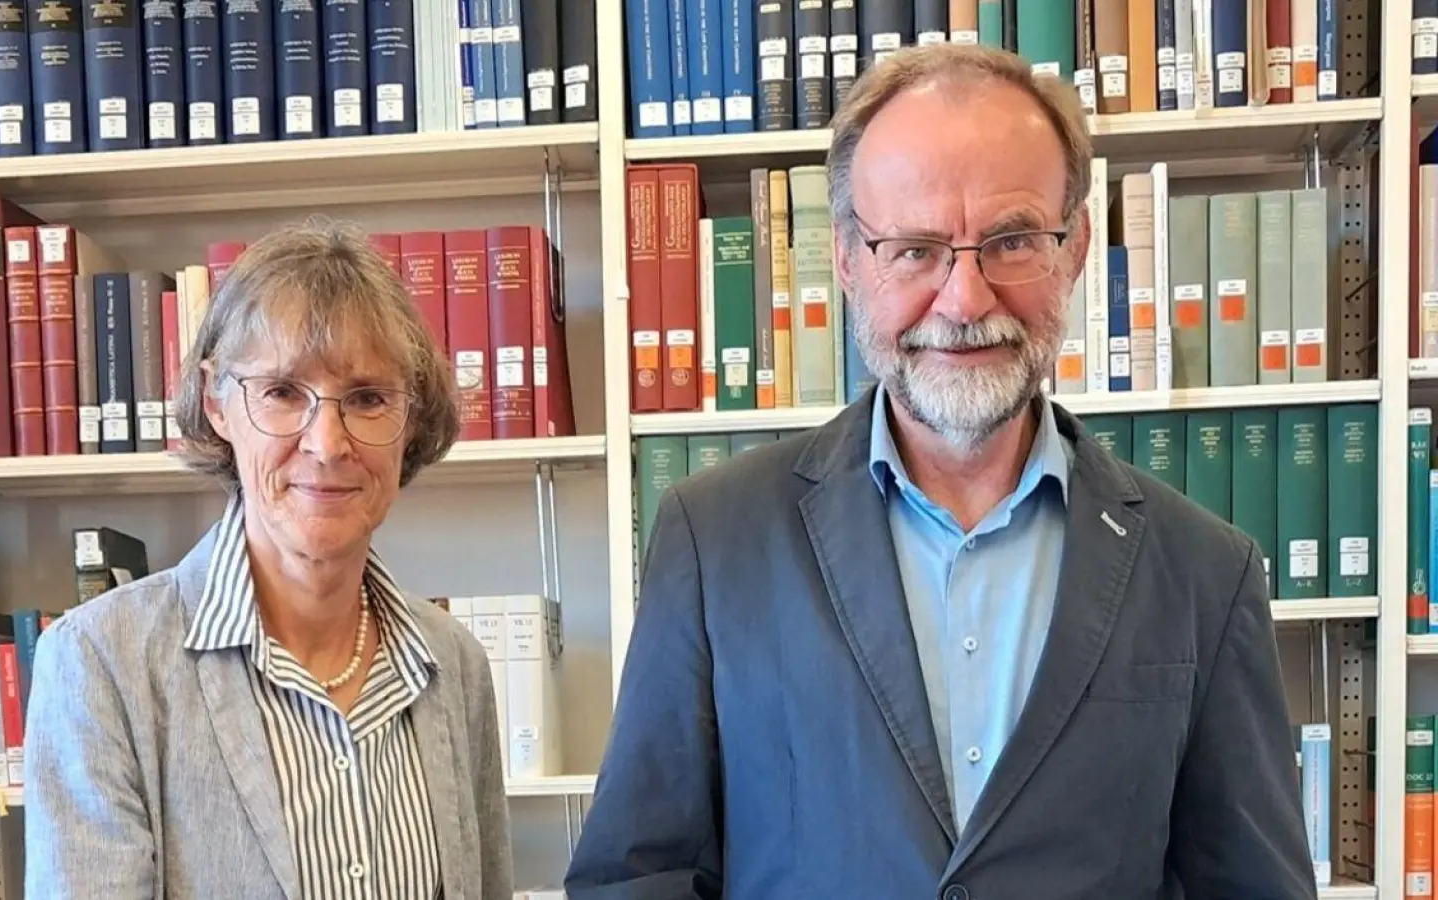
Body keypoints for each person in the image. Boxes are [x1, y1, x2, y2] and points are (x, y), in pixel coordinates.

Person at [564, 43, 1316, 899]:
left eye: (1013, 239)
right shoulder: (715, 540)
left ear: (1076, 251)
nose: (965, 300)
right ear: (848, 261)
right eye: (916, 249)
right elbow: (638, 877)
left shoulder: (1205, 575)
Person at [22, 219, 513, 899]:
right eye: (283, 392)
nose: (328, 442)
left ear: (413, 418)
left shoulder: (454, 667)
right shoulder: (100, 664)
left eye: (368, 398)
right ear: (218, 401)